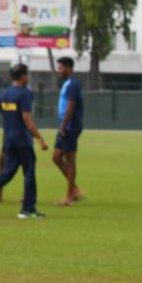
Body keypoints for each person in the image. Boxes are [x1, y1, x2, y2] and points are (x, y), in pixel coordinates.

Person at [0, 63, 49, 219]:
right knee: (29, 173)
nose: (28, 78)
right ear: (22, 77)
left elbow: (5, 115)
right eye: (26, 75)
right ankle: (28, 209)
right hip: (22, 140)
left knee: (7, 174)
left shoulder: (4, 94)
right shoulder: (25, 94)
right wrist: (40, 139)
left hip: (9, 140)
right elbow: (27, 118)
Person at [52, 56, 85, 206]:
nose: (59, 71)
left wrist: (63, 126)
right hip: (68, 126)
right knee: (57, 157)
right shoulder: (67, 83)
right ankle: (75, 190)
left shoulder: (72, 84)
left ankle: (69, 197)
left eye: (60, 68)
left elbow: (71, 106)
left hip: (70, 127)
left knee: (68, 159)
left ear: (68, 68)